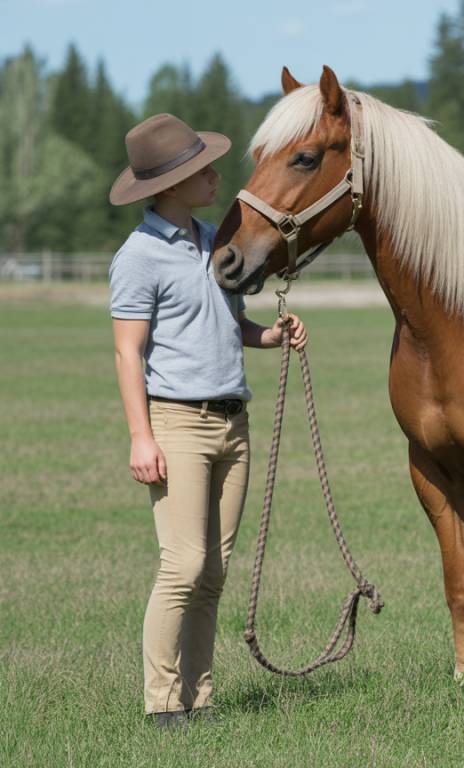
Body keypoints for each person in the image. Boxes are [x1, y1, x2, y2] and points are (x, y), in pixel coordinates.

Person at [108, 113, 307, 728]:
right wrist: (141, 437)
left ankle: (200, 698)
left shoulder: (216, 239)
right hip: (177, 427)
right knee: (184, 565)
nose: (217, 175)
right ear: (170, 184)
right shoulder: (138, 257)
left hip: (232, 424)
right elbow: (127, 350)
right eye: (203, 169)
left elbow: (229, 325)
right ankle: (163, 702)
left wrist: (271, 335)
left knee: (214, 573)